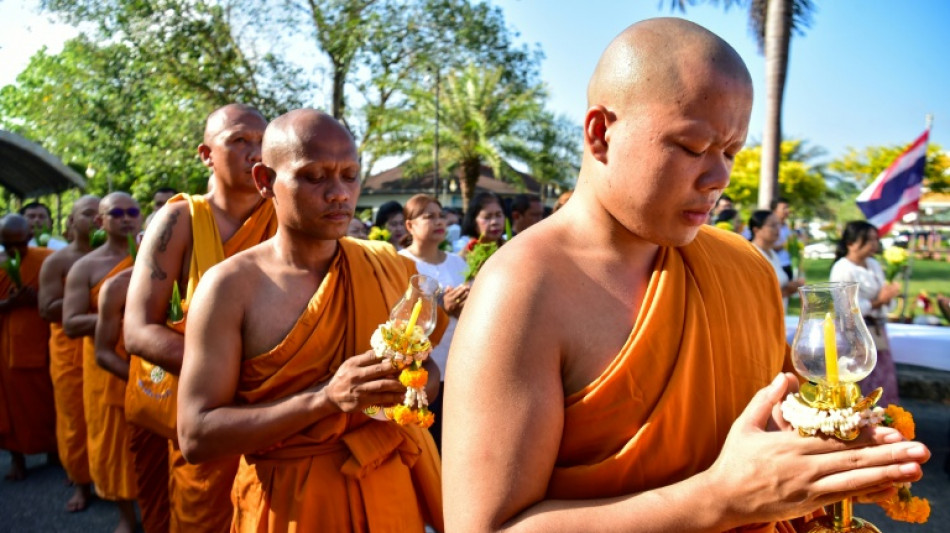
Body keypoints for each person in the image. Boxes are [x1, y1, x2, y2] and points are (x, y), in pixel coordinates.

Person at [442, 18, 930, 532]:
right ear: (600, 132)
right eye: (694, 148)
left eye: (730, 152)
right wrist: (719, 499)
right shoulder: (522, 290)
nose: (718, 177)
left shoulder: (744, 268)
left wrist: (819, 466)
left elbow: (759, 439)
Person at [177, 109, 445, 532]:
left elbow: (426, 371)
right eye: (315, 177)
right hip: (292, 506)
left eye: (350, 175)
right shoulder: (230, 287)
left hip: (390, 492)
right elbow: (197, 435)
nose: (339, 193)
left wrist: (408, 387)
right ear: (265, 181)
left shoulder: (385, 266)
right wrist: (325, 399)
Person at [124, 103, 276, 533]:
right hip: (207, 413)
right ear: (206, 154)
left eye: (262, 142)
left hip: (275, 411)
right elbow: (138, 330)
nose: (255, 152)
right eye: (239, 141)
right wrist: (226, 376)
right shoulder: (180, 219)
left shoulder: (285, 215)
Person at [62, 192, 141, 533]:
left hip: (148, 358)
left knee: (151, 440)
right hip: (107, 363)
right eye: (117, 213)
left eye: (132, 211)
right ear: (100, 221)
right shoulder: (86, 267)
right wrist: (117, 318)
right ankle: (125, 515)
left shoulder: (155, 254)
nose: (126, 218)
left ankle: (157, 506)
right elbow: (71, 322)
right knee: (112, 443)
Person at [37, 194, 100, 511]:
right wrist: (87, 297)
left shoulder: (120, 255)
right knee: (75, 418)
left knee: (106, 416)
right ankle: (80, 483)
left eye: (101, 212)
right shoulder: (58, 261)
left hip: (106, 344)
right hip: (70, 347)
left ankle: (112, 479)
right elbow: (47, 309)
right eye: (88, 213)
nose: (97, 218)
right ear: (71, 222)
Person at [398, 194, 469, 448]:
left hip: (458, 366)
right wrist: (443, 310)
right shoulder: (400, 264)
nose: (439, 222)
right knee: (427, 444)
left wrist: (463, 309)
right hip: (423, 373)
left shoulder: (458, 262)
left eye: (441, 215)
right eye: (428, 216)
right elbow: (401, 321)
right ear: (410, 225)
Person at [0, 214, 56, 481]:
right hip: (6, 345)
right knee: (11, 405)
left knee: (51, 397)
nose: (14, 251)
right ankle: (17, 458)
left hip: (45, 339)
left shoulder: (46, 259)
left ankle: (57, 452)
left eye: (20, 244)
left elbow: (62, 297)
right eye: (7, 245)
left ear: (29, 238)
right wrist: (9, 305)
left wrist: (38, 299)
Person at [830, 221, 902, 406]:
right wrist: (878, 302)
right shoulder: (842, 268)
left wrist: (888, 296)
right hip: (854, 334)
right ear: (851, 243)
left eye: (875, 239)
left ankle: (884, 419)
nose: (873, 244)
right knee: (861, 379)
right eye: (868, 240)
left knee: (883, 379)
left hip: (877, 329)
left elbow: (883, 296)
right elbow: (843, 308)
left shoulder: (873, 264)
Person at [748, 209, 804, 310]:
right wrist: (787, 291)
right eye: (772, 225)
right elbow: (756, 295)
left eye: (778, 225)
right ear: (756, 230)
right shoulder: (752, 255)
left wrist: (794, 285)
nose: (778, 229)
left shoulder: (772, 254)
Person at [459, 191, 506, 256]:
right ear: (473, 221)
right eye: (487, 217)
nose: (494, 222)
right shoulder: (463, 257)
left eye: (498, 215)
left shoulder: (512, 249)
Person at [771, 198, 794, 280]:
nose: (787, 211)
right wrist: (786, 244)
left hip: (788, 264)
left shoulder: (787, 226)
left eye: (788, 208)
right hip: (777, 266)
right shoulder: (770, 227)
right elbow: (767, 247)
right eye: (784, 208)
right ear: (774, 210)